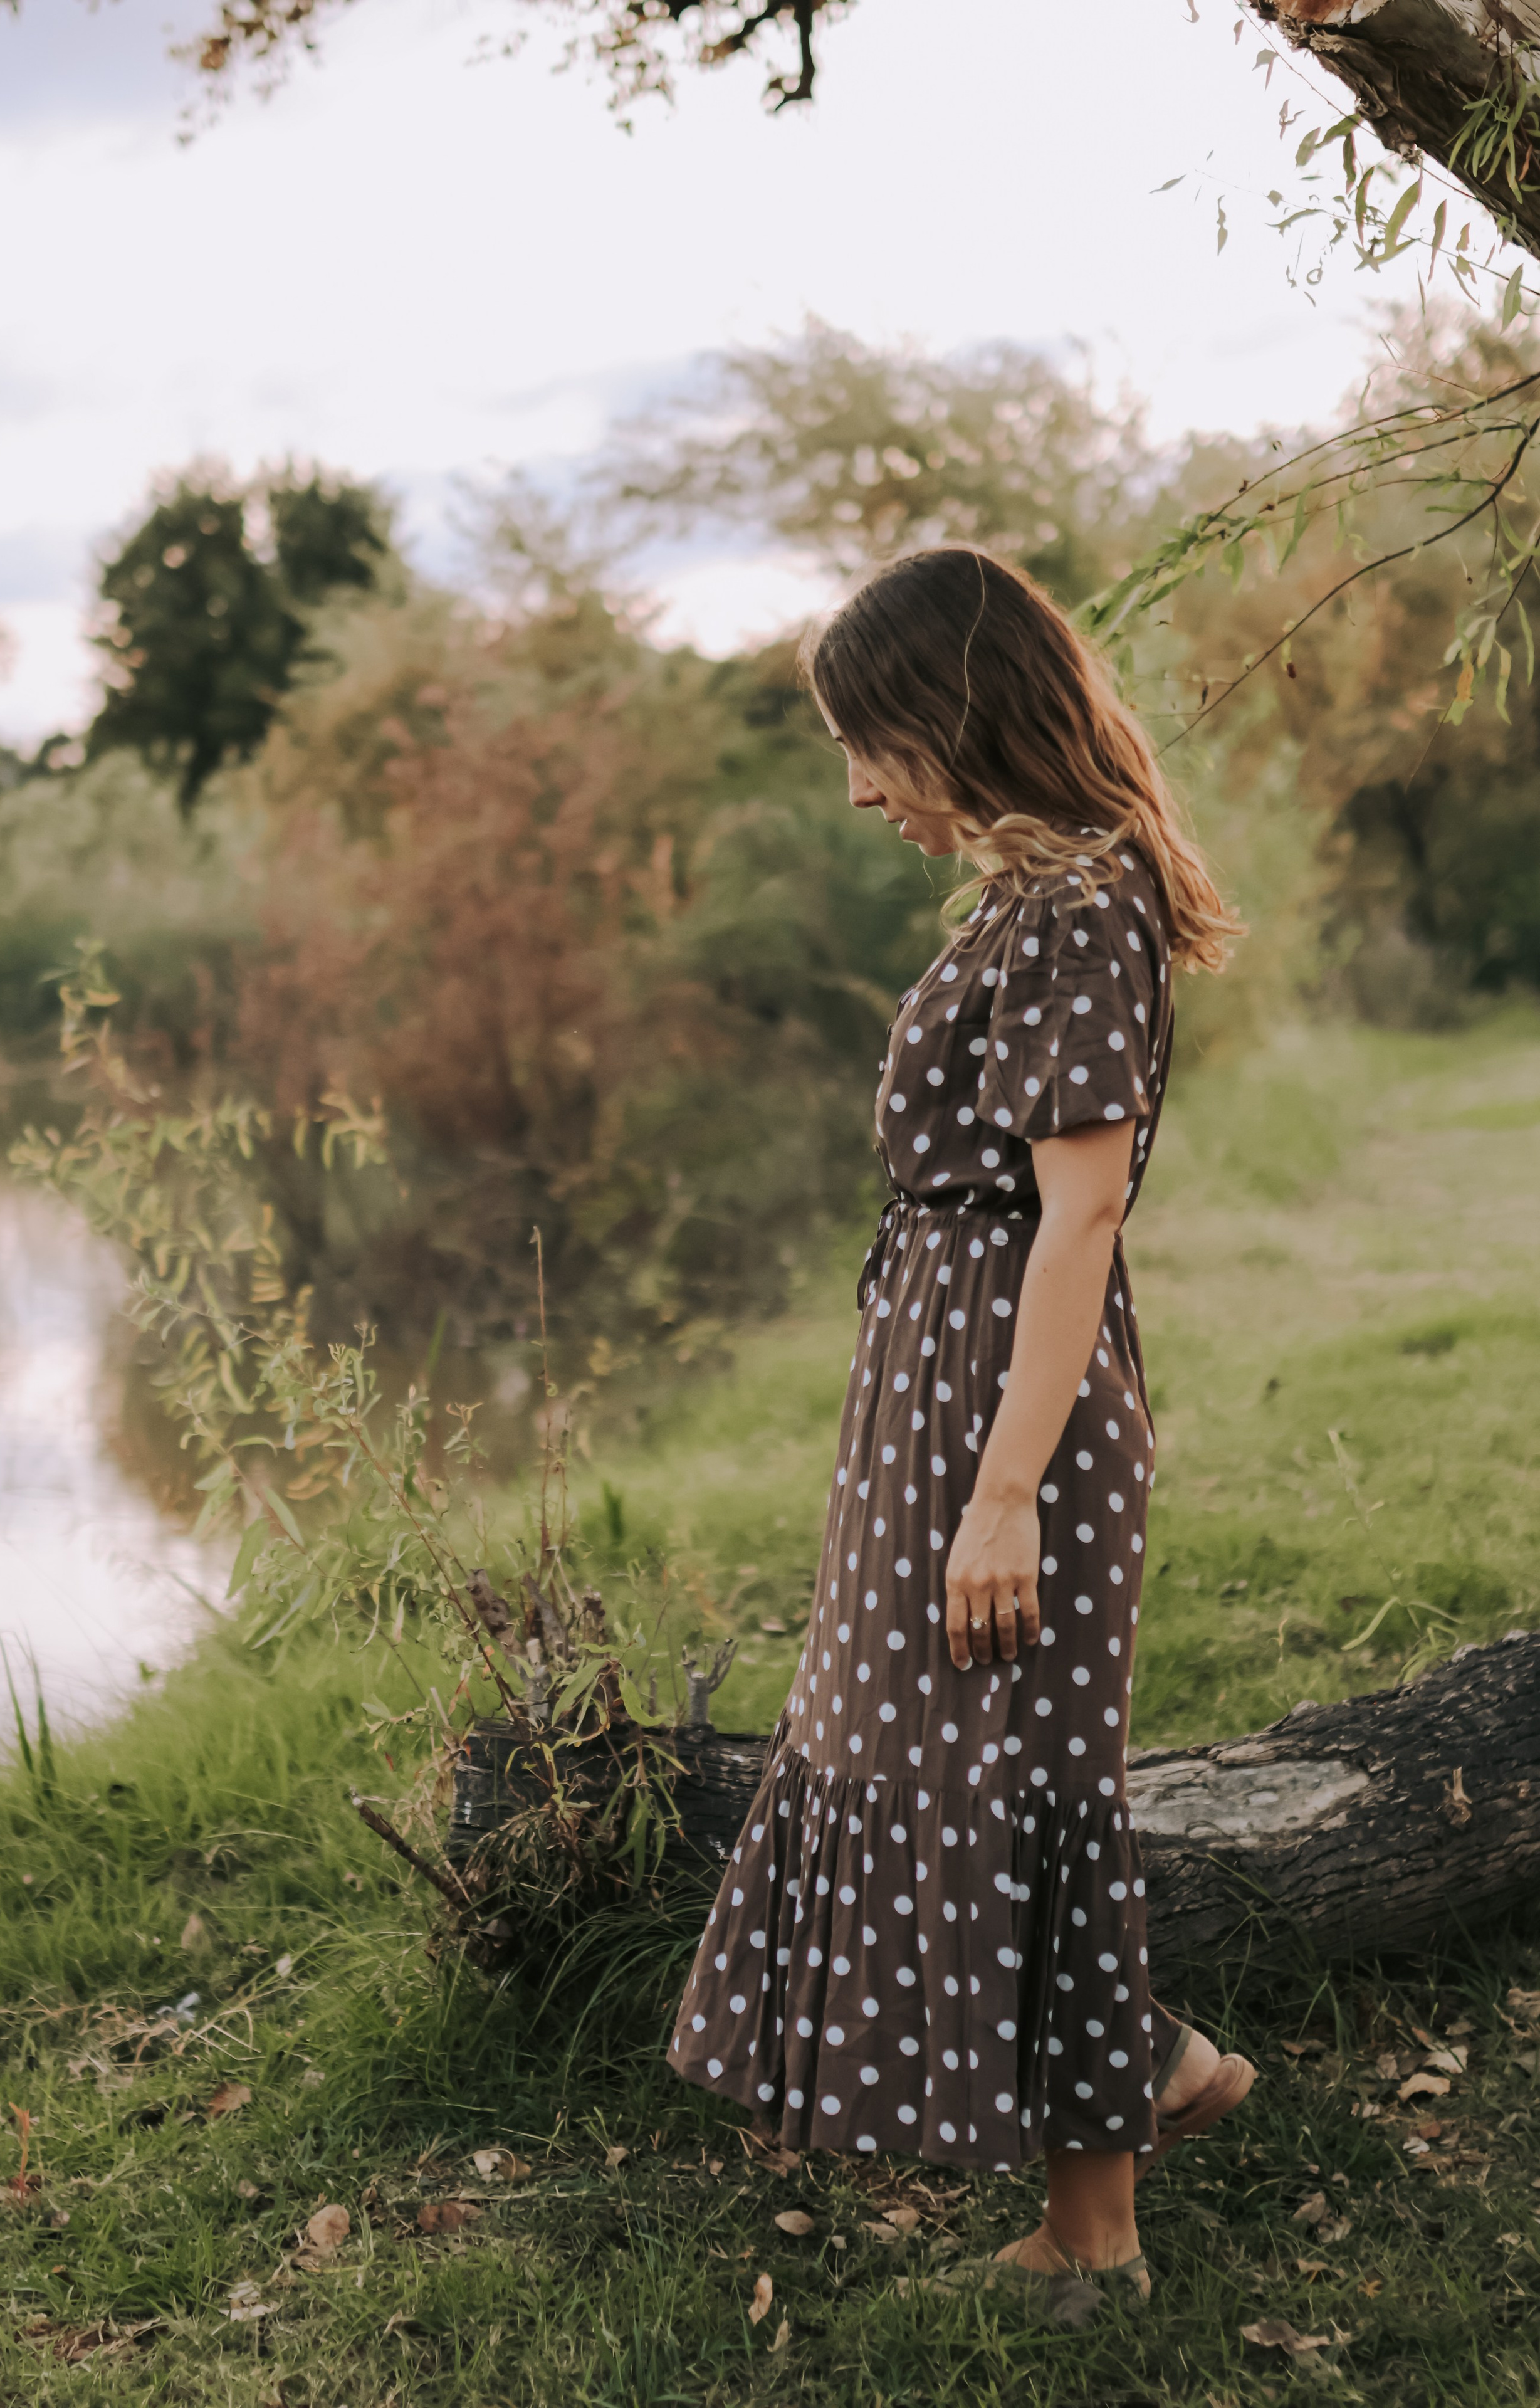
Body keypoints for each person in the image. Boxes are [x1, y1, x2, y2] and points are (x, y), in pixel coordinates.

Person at [666, 545, 1255, 2313]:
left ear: (956, 714)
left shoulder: (1078, 907)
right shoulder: (1029, 898)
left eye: (872, 743)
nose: (857, 789)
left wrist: (1005, 1493)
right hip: (940, 1387)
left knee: (1016, 1778)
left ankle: (1098, 2229)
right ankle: (1136, 2086)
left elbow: (1077, 1221)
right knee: (944, 1762)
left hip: (1010, 1413)